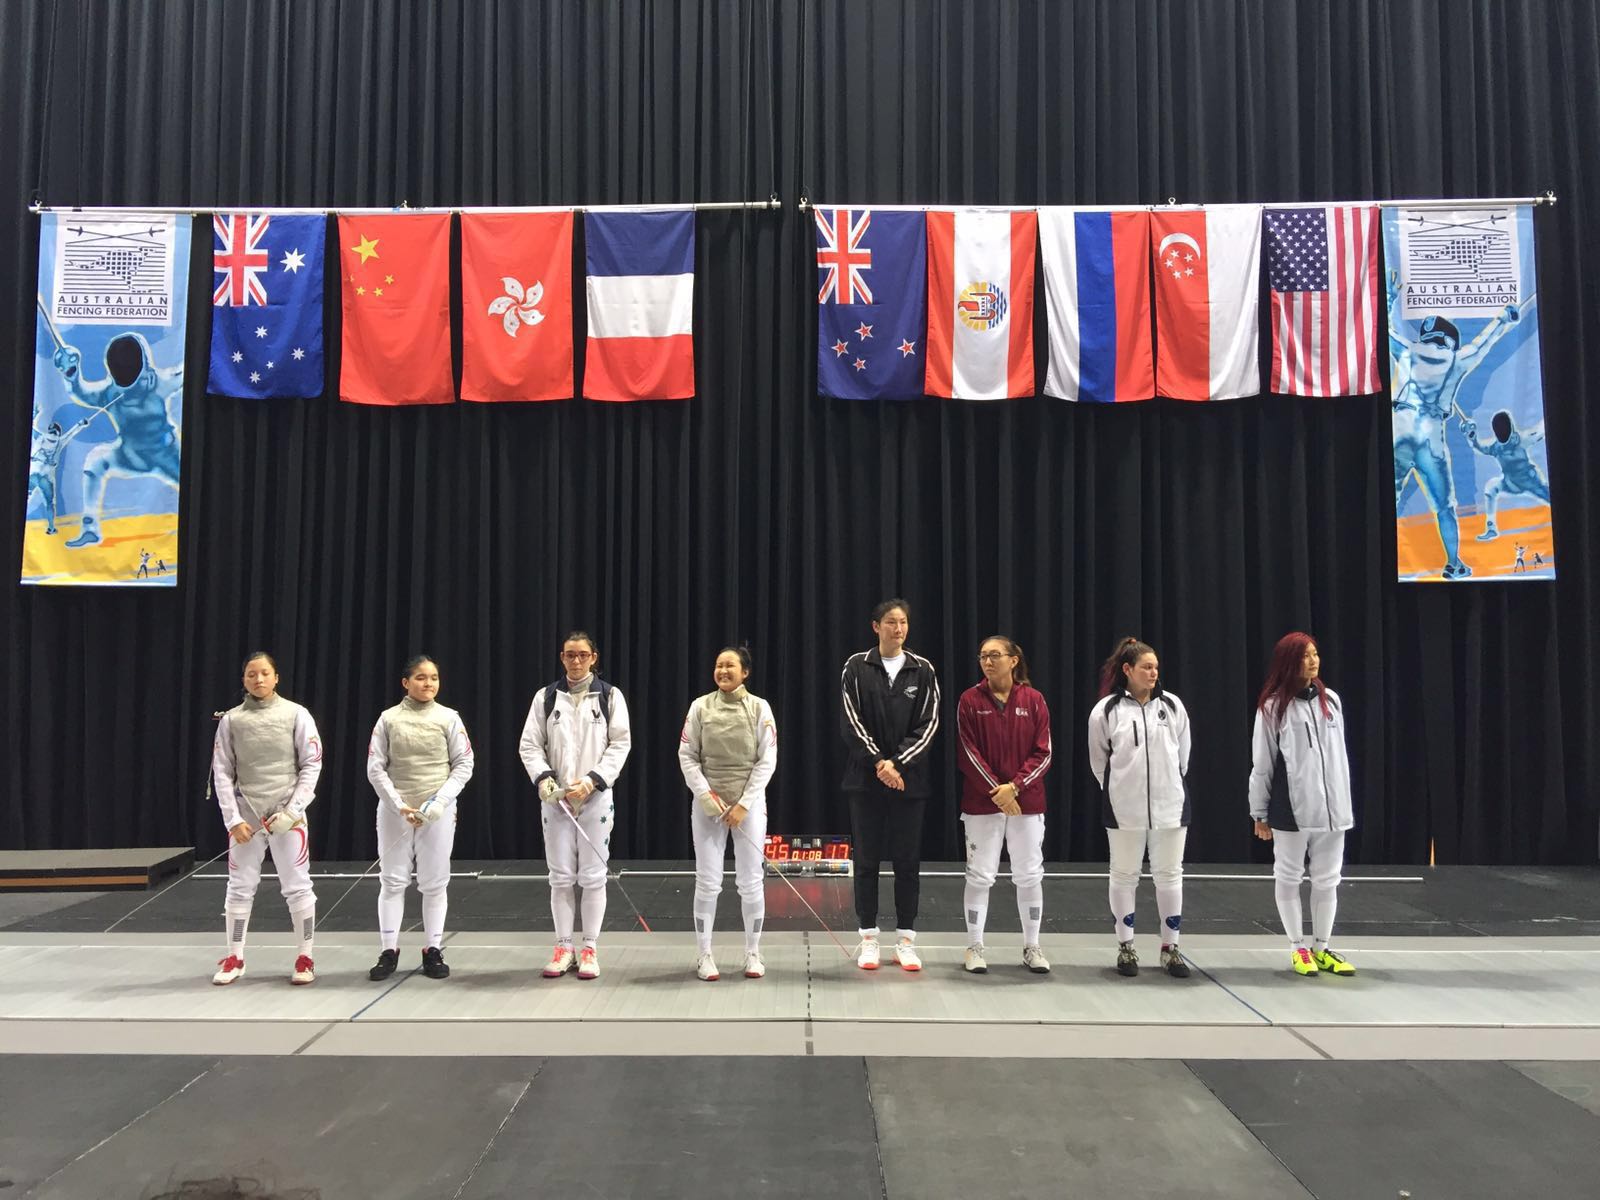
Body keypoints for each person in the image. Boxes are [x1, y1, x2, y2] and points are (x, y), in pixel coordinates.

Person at [1388, 289, 1525, 579]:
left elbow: (1384, 333)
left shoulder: (1410, 350)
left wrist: (1388, 304)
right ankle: (1454, 564)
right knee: (1443, 506)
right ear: (1449, 340)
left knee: (1391, 497)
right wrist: (1503, 318)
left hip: (1400, 425)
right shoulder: (1457, 359)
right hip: (1431, 435)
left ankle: (1378, 561)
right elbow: (1483, 344)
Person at [519, 632, 633, 981]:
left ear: (594, 657)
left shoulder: (610, 696)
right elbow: (530, 745)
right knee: (561, 878)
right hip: (556, 801)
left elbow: (621, 744)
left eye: (583, 655)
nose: (577, 661)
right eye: (570, 655)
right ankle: (563, 946)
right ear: (562, 657)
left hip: (595, 798)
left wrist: (593, 780)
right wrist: (545, 778)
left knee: (593, 877)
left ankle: (589, 948)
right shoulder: (546, 697)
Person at [210, 652, 323, 986]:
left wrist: (292, 812)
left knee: (298, 886)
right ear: (243, 679)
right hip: (247, 814)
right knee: (240, 886)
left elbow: (312, 764)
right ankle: (235, 956)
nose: (258, 680)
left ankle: (306, 957)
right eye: (251, 674)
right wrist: (233, 820)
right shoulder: (231, 720)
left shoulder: (296, 714)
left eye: (264, 673)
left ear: (276, 677)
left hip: (288, 814)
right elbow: (221, 771)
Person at [840, 598, 941, 971]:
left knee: (906, 862)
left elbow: (928, 724)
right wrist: (879, 763)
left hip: (908, 783)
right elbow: (851, 721)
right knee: (865, 862)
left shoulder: (923, 670)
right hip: (865, 782)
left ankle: (905, 939)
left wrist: (897, 763)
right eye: (890, 622)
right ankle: (868, 937)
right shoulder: (856, 666)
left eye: (903, 623)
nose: (898, 629)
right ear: (876, 626)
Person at [1247, 632, 1356, 976]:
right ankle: (1298, 947)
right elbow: (1262, 764)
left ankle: (1322, 947)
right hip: (1291, 809)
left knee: (1328, 879)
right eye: (1305, 655)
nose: (1313, 660)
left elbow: (1337, 757)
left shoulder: (1332, 701)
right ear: (1288, 661)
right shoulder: (1272, 707)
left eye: (1315, 654)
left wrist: (1343, 801)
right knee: (1289, 875)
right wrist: (1259, 812)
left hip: (1334, 809)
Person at [1087, 637, 1193, 979]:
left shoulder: (1173, 707)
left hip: (1171, 808)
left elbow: (1183, 757)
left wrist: (1165, 787)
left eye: (1156, 667)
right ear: (1127, 670)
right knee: (1123, 875)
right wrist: (1121, 792)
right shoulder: (1106, 710)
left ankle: (1170, 947)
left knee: (1169, 876)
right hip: (1124, 810)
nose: (1153, 672)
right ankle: (1126, 946)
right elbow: (1098, 761)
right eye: (1146, 666)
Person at [366, 655, 475, 981]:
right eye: (421, 678)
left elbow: (464, 764)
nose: (428, 684)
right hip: (395, 812)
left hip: (437, 813)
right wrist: (398, 804)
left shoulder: (449, 718)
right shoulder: (388, 719)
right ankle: (389, 950)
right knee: (393, 880)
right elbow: (375, 768)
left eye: (433, 678)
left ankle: (433, 949)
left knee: (434, 881)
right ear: (406, 682)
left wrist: (439, 803)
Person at [677, 646, 779, 981]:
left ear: (744, 672)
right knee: (708, 882)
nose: (723, 671)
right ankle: (704, 955)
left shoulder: (758, 708)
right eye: (719, 665)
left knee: (751, 882)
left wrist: (745, 803)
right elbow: (688, 754)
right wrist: (705, 795)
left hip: (747, 807)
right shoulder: (700, 707)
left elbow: (767, 759)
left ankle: (753, 951)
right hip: (709, 807)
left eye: (730, 665)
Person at [955, 636, 1054, 975]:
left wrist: (1015, 787)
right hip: (983, 803)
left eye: (995, 655)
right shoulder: (969, 700)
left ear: (1014, 660)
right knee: (980, 875)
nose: (987, 661)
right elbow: (967, 753)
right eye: (983, 656)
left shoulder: (1034, 700)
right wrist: (998, 792)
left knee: (1028, 875)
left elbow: (1044, 753)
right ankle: (975, 946)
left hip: (1027, 803)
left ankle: (1032, 946)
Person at [1465, 411, 1550, 542]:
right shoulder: (1496, 447)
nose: (1500, 432)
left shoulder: (1522, 440)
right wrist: (1472, 437)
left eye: (1502, 428)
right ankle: (1491, 529)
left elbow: (1539, 431)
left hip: (1531, 482)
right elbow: (1480, 448)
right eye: (1498, 429)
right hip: (1510, 483)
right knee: (1491, 487)